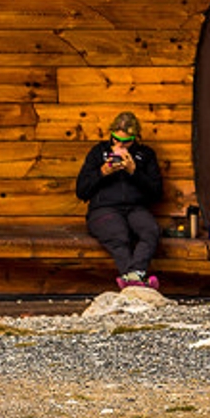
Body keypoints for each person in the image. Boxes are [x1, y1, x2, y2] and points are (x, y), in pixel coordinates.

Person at [75, 111, 171, 293]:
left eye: (126, 141)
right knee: (119, 235)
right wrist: (102, 172)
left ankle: (132, 279)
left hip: (135, 208)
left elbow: (156, 192)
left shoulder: (145, 155)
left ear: (136, 138)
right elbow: (81, 191)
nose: (119, 145)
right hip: (103, 209)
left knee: (150, 230)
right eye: (115, 139)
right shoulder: (98, 152)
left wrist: (134, 172)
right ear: (111, 134)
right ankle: (138, 283)